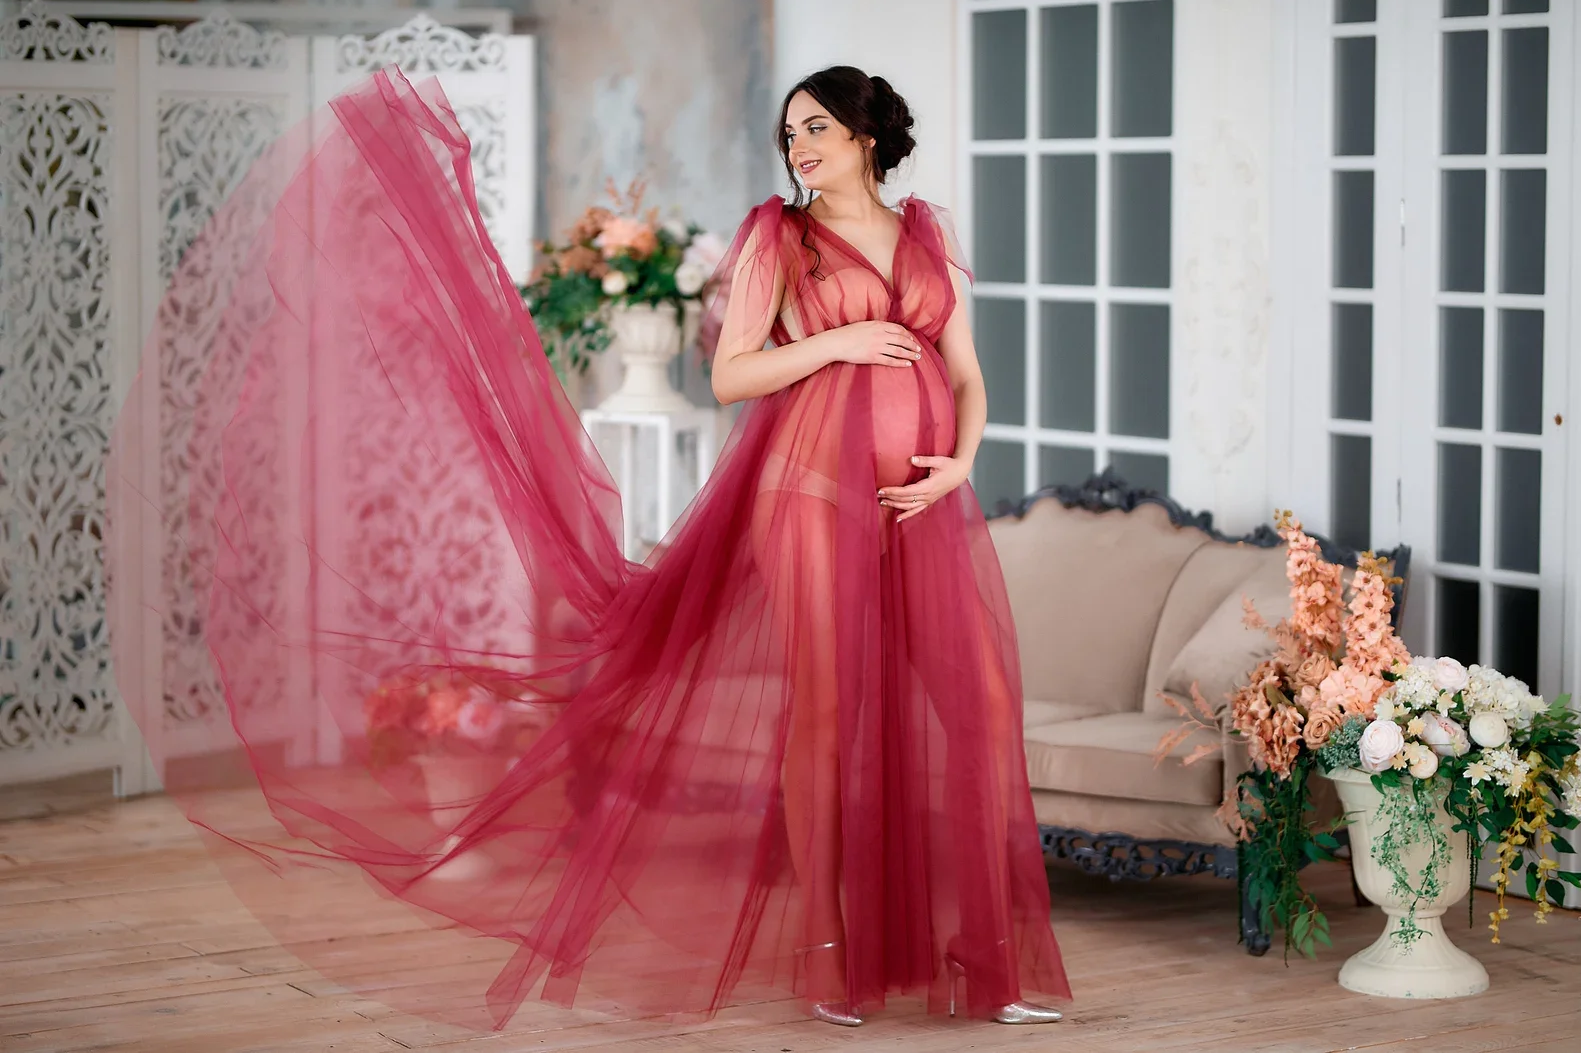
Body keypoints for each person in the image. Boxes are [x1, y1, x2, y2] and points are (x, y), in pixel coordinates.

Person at [105, 64, 1070, 1034]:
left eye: (816, 128)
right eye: (789, 135)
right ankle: (825, 944)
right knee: (825, 712)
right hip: (811, 493)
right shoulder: (779, 237)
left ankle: (987, 955)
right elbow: (733, 375)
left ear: (867, 134)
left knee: (981, 704)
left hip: (924, 497)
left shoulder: (927, 236)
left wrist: (959, 466)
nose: (800, 147)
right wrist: (836, 346)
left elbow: (968, 374)